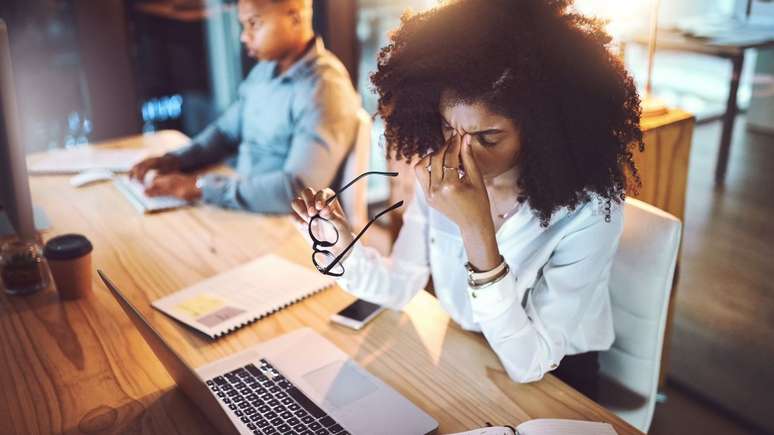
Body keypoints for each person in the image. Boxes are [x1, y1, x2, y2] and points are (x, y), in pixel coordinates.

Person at [291, 0, 644, 400]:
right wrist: (339, 244)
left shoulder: (588, 211)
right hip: (466, 352)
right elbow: (402, 285)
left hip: (556, 379)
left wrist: (476, 230)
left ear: (543, 129)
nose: (459, 155)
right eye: (447, 129)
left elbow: (529, 363)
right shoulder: (440, 177)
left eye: (487, 138)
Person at [130, 0, 361, 213]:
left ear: (294, 18)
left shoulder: (325, 89)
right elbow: (224, 133)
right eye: (244, 25)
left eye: (254, 24)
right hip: (243, 204)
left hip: (286, 223)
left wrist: (200, 188)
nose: (244, 36)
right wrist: (175, 160)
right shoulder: (265, 70)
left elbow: (299, 190)